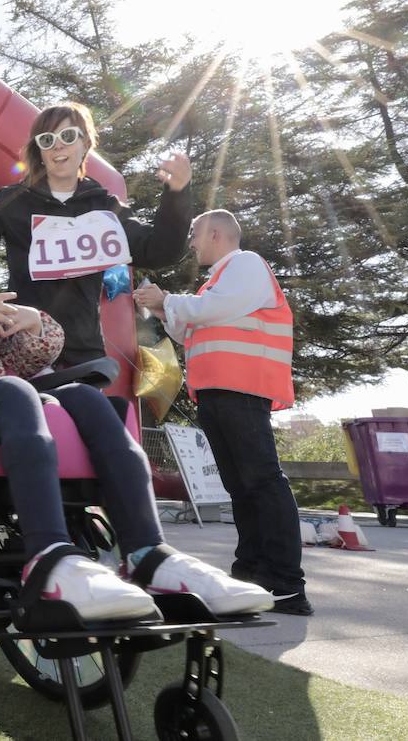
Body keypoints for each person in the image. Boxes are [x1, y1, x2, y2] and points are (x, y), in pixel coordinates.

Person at [0, 187, 272, 620]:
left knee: (86, 398)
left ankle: (148, 552)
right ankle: (49, 555)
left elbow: (17, 361)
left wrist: (34, 327)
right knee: (14, 390)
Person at [133, 209, 310, 615]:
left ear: (215, 233)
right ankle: (251, 575)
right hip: (220, 393)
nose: (191, 242)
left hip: (241, 390)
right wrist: (162, 309)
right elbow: (190, 327)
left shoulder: (245, 265)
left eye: (193, 234)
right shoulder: (219, 280)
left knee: (260, 481)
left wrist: (168, 301)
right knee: (242, 486)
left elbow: (212, 309)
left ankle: (285, 582)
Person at [0, 101, 192, 369]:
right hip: (28, 348)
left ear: (85, 144)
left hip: (83, 354)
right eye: (47, 140)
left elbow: (161, 250)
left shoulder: (104, 207)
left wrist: (177, 195)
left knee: (92, 410)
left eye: (67, 137)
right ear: (39, 151)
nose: (58, 146)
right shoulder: (14, 201)